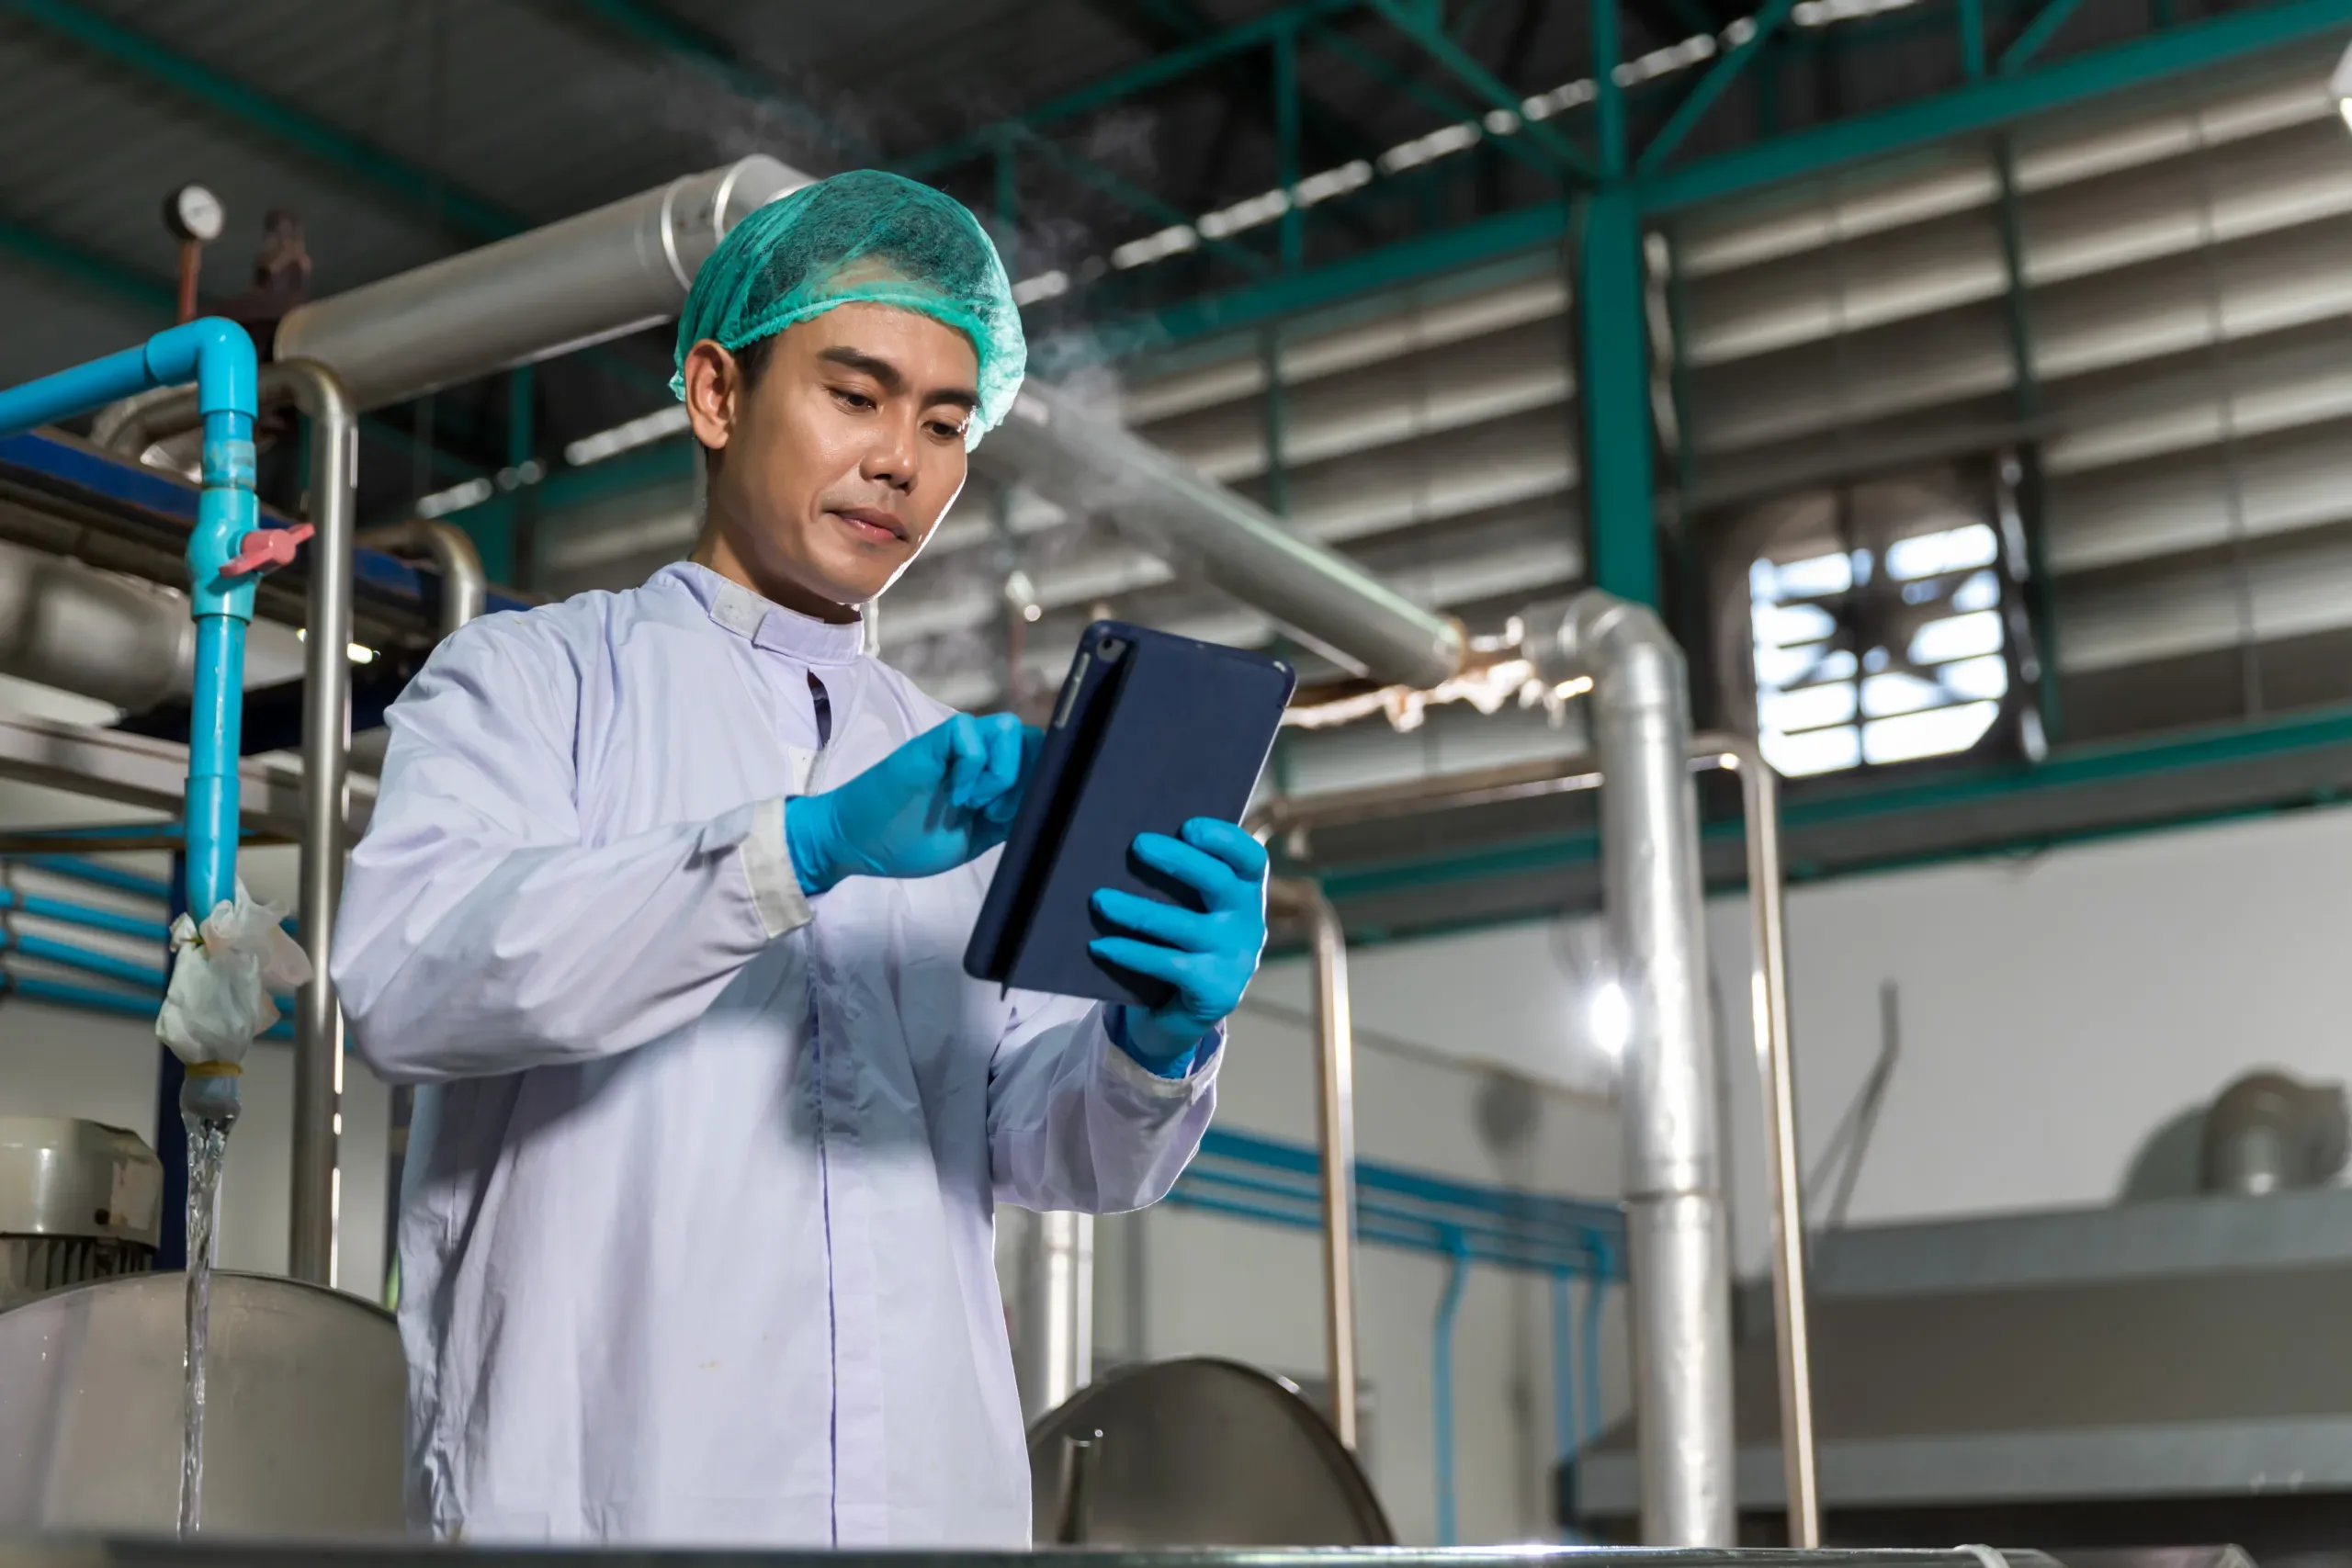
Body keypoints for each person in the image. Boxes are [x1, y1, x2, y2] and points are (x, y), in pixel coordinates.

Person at [331, 171, 1270, 1548]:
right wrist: (799, 849)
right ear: (716, 394)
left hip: (928, 1513)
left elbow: (1040, 1142)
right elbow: (406, 981)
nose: (904, 459)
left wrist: (1155, 1039)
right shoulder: (532, 684)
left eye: (948, 422)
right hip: (608, 1498)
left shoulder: (957, 766)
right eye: (856, 393)